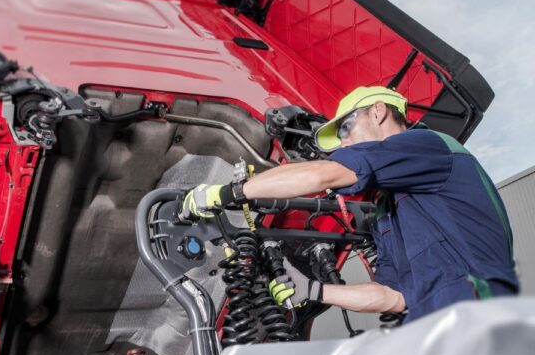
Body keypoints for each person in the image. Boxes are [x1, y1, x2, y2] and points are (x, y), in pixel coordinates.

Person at [184, 86, 519, 322]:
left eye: (346, 127)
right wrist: (313, 290)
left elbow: (325, 175)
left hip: (475, 320)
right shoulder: (390, 211)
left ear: (378, 111)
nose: (344, 142)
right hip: (435, 331)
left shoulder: (426, 145)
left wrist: (226, 193)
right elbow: (391, 296)